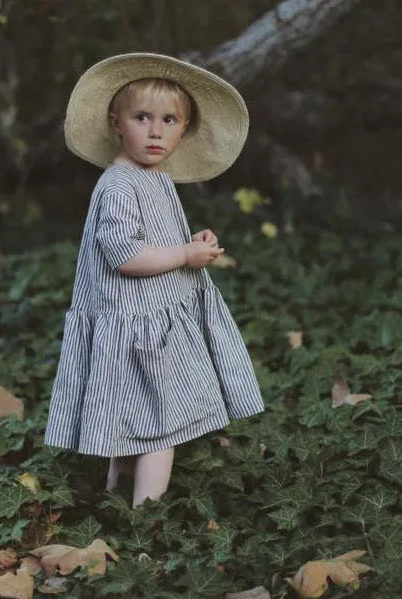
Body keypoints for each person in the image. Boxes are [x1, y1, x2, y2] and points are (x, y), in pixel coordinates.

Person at [44, 53, 264, 507]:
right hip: (135, 325)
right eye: (142, 117)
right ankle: (147, 517)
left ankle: (113, 497)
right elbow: (126, 255)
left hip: (154, 319)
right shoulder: (120, 186)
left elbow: (154, 238)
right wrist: (185, 255)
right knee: (158, 427)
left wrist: (189, 241)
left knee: (132, 419)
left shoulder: (155, 179)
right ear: (116, 122)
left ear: (184, 129)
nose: (156, 130)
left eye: (169, 120)